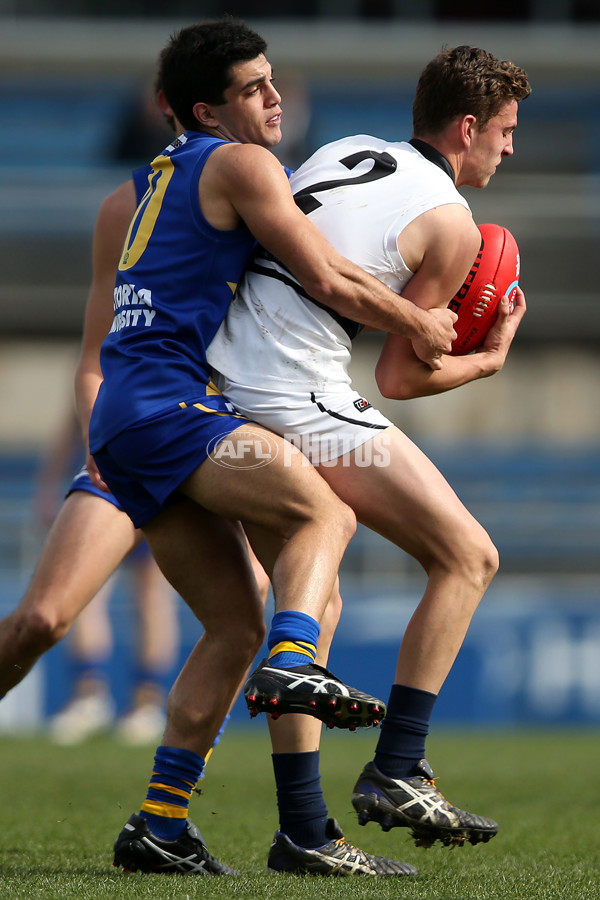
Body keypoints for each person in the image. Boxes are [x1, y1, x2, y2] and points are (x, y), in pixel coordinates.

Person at [87, 19, 457, 877]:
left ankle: (160, 823)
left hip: (124, 417)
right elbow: (325, 277)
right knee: (324, 509)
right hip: (175, 407)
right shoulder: (243, 163)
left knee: (229, 624)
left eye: (272, 78)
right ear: (208, 110)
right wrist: (419, 319)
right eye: (254, 87)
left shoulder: (155, 175)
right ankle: (296, 663)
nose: (275, 94)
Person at [208, 43, 531, 851]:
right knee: (468, 555)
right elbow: (399, 374)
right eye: (505, 130)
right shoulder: (453, 223)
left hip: (219, 371)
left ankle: (304, 830)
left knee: (311, 603)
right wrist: (487, 360)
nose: (510, 146)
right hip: (291, 381)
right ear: (467, 127)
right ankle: (401, 765)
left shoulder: (346, 147)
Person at [31, 409, 179, 745]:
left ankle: (147, 702)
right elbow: (72, 419)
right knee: (84, 595)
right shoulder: (96, 361)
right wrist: (49, 483)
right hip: (102, 481)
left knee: (152, 597)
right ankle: (89, 696)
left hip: (154, 478)